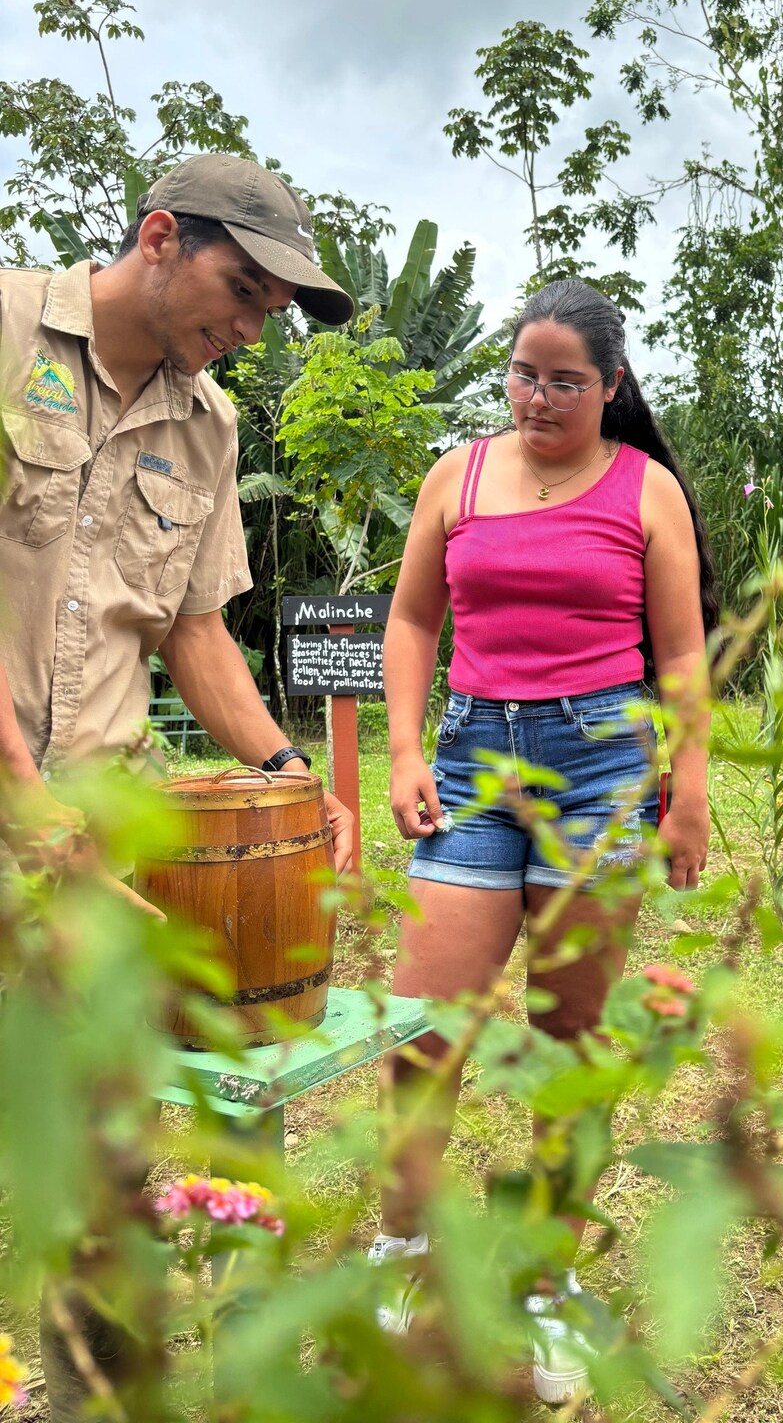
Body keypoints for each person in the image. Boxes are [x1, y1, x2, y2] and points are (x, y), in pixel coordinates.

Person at [0, 152, 357, 1417]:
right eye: (242, 290)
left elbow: (195, 631)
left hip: (97, 842)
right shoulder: (4, 331)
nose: (251, 328)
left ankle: (107, 1397)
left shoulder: (209, 426)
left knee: (108, 1145)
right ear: (159, 236)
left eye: (269, 310)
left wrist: (284, 769)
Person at [375, 278, 715, 1401]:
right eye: (524, 373)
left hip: (602, 776)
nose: (538, 396)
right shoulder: (456, 475)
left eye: (565, 380)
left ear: (610, 386)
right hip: (472, 766)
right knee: (424, 1032)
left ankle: (547, 1281)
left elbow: (681, 656)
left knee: (568, 1050)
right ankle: (409, 1253)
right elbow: (415, 616)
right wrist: (406, 750)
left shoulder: (646, 490)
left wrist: (692, 787)